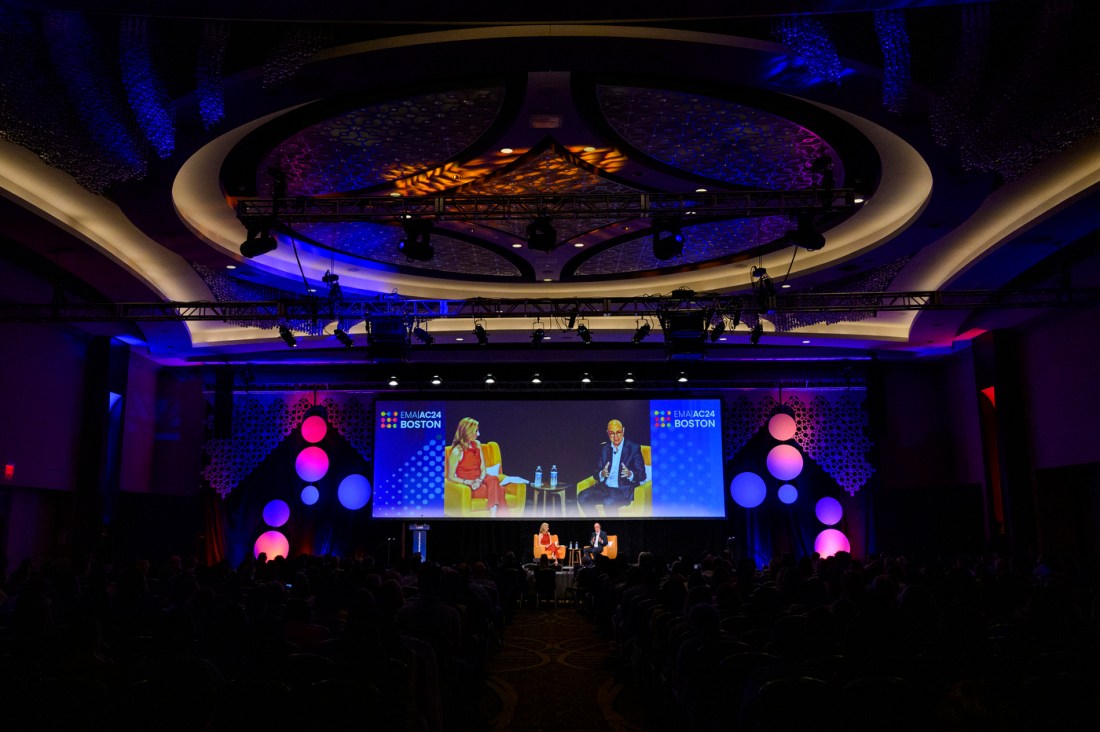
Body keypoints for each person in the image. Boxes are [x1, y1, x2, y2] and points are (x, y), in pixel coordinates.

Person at [578, 419, 647, 516]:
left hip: (622, 490)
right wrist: (601, 473)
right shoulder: (604, 448)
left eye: (618, 432)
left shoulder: (634, 448)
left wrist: (630, 474)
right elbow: (595, 471)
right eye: (612, 433)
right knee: (582, 496)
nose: (616, 437)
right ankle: (597, 524)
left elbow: (642, 475)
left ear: (623, 430)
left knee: (608, 502)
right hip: (604, 488)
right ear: (607, 433)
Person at [448, 417, 508, 516]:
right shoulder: (457, 451)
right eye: (476, 431)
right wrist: (469, 482)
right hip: (468, 484)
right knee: (501, 490)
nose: (478, 434)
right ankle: (498, 516)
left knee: (494, 478)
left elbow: (483, 468)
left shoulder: (477, 444)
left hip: (480, 478)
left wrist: (479, 480)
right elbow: (450, 477)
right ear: (467, 431)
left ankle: (494, 513)